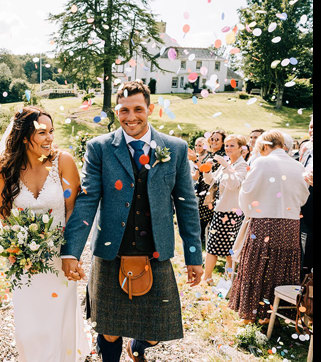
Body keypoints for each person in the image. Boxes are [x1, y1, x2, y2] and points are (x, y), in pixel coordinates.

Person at [62, 81, 203, 362]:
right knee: (110, 330)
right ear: (116, 112)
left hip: (155, 251)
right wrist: (71, 251)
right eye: (124, 110)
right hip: (111, 251)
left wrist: (193, 255)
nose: (131, 116)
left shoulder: (174, 148)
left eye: (138, 109)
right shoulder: (99, 148)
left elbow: (187, 205)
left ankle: (138, 346)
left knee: (157, 329)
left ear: (150, 109)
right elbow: (88, 200)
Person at [0, 106, 90, 361]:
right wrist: (19, 251)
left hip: (59, 260)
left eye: (51, 131)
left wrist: (72, 254)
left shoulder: (62, 162)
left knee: (58, 323)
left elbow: (74, 210)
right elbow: (5, 217)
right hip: (25, 264)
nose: (49, 138)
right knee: (29, 329)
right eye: (42, 132)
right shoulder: (4, 169)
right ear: (23, 136)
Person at [228, 130, 309, 325]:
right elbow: (304, 196)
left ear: (265, 146)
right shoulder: (298, 166)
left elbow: (247, 193)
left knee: (256, 267)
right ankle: (272, 315)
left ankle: (250, 315)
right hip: (290, 224)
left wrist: (250, 209)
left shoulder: (262, 162)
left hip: (264, 221)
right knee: (282, 268)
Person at [202, 134, 248, 285]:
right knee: (212, 245)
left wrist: (227, 166)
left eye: (232, 146)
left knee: (230, 249)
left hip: (233, 212)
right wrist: (206, 170)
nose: (227, 148)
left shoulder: (243, 166)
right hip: (220, 210)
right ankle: (207, 277)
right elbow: (212, 181)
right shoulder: (227, 163)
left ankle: (228, 280)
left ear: (241, 148)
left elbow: (234, 184)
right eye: (227, 145)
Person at [195, 130, 226, 249]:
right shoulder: (210, 154)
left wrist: (195, 160)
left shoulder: (220, 156)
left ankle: (206, 244)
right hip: (203, 188)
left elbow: (213, 176)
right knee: (201, 218)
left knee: (205, 219)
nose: (213, 141)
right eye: (212, 139)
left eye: (217, 139)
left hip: (211, 191)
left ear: (223, 142)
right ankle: (202, 242)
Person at [299, 117, 313, 280]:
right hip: (305, 206)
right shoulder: (307, 149)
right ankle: (303, 297)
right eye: (310, 127)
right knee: (305, 252)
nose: (312, 130)